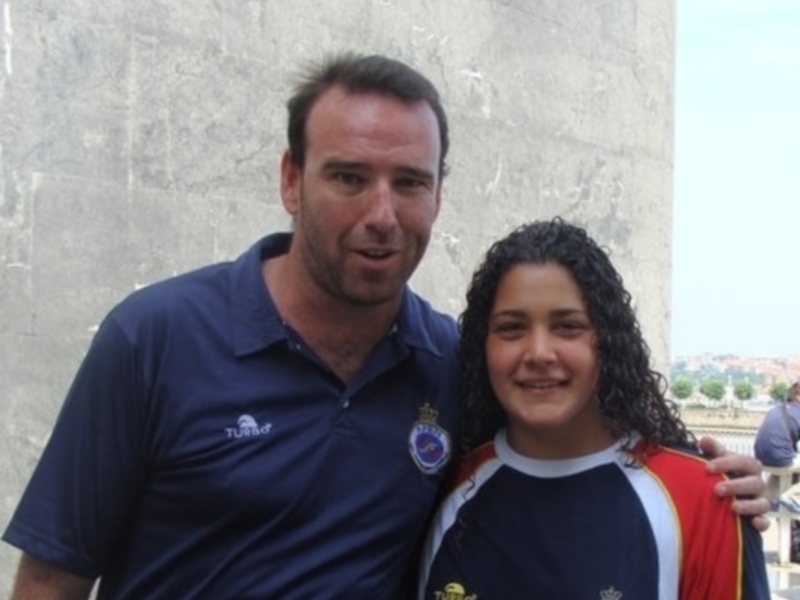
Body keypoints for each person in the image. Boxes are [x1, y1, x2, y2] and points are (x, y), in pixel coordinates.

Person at [3, 54, 767, 600]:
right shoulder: (154, 340)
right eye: (348, 177)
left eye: (409, 182)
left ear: (438, 195)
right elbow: (49, 582)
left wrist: (723, 487)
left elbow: (565, 450)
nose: (381, 214)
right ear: (291, 180)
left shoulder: (449, 363)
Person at [419, 219, 770, 599]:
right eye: (512, 328)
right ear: (481, 346)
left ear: (609, 340)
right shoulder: (437, 492)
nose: (539, 353)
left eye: (568, 326)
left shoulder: (701, 501)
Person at [754, 380, 800, 511]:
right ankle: (792, 496)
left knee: (780, 469)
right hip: (780, 458)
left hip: (760, 458)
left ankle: (767, 501)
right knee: (786, 461)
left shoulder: (777, 409)